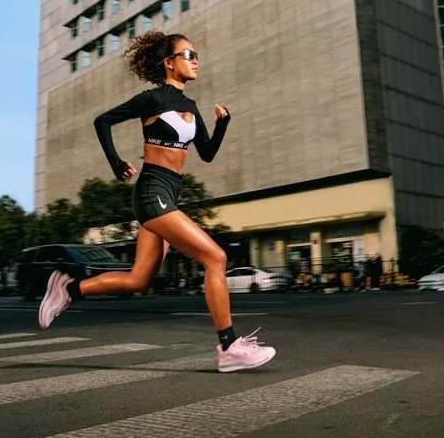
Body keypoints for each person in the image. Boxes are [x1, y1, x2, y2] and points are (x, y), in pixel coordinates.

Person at [38, 32, 276, 373]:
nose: (195, 60)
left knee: (139, 279)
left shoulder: (191, 107)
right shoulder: (152, 99)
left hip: (169, 194)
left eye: (196, 55)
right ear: (169, 63)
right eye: (188, 54)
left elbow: (207, 154)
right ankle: (229, 347)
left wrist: (223, 124)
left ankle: (68, 288)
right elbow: (102, 121)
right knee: (215, 257)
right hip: (152, 193)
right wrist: (116, 163)